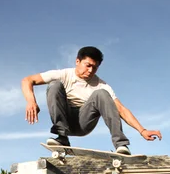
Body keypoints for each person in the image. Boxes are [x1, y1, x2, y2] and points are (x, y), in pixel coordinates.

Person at [21, 46, 162, 155]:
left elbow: (121, 109)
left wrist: (142, 130)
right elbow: (27, 80)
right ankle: (62, 137)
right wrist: (31, 101)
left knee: (101, 93)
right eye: (87, 65)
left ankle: (121, 144)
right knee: (54, 85)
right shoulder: (63, 74)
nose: (90, 70)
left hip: (84, 122)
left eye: (94, 68)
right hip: (65, 120)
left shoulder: (101, 84)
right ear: (78, 61)